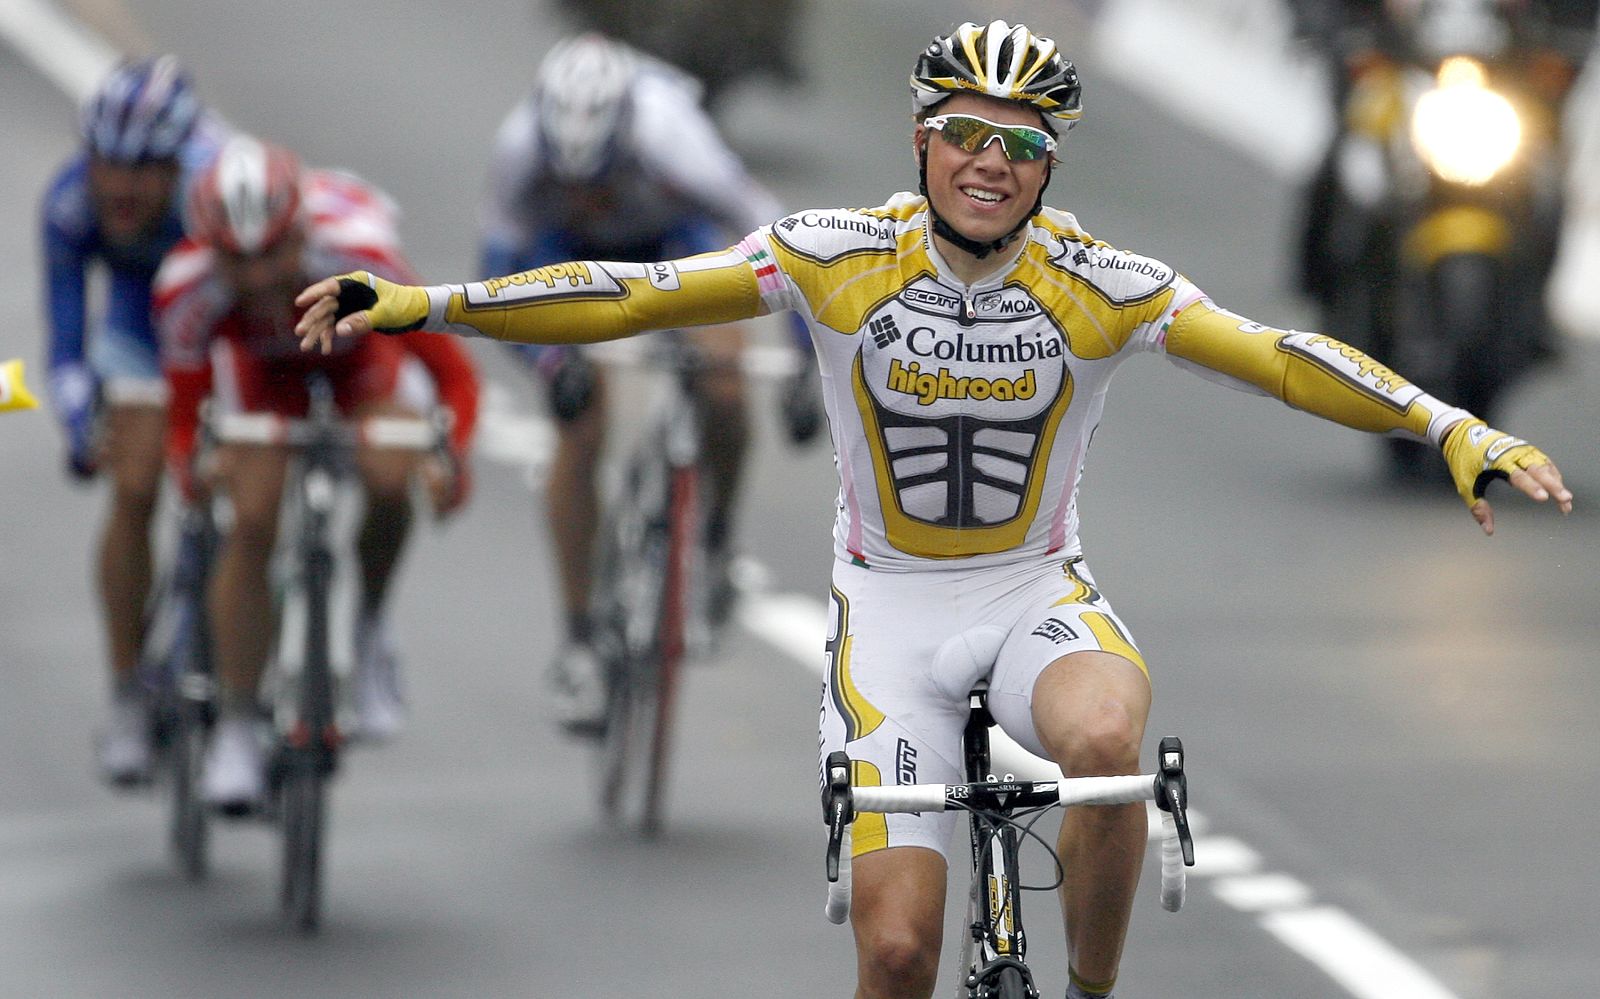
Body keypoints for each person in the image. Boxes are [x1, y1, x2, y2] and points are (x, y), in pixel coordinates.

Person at [296, 20, 1572, 998]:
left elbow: (1281, 355)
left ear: (1047, 168)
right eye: (966, 132)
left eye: (1020, 146)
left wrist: (1446, 425)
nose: (988, 163)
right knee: (898, 957)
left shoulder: (1102, 285)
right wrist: (430, 305)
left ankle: (1088, 988)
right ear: (920, 138)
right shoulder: (830, 256)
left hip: (1034, 592)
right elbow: (635, 295)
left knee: (1107, 741)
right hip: (891, 616)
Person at [478, 33, 819, 733]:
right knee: (578, 425)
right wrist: (551, 365)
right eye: (572, 180)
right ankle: (577, 641)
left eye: (599, 174)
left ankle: (715, 543)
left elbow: (780, 243)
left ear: (625, 139)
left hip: (676, 242)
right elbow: (497, 275)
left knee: (723, 380)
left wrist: (803, 364)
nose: (588, 190)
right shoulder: (519, 151)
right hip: (567, 252)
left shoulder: (674, 139)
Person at [160, 134, 480, 811]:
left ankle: (367, 629)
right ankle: (239, 727)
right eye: (236, 261)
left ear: (300, 230)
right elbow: (186, 414)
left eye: (274, 254)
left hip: (360, 372)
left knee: (394, 473)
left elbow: (452, 375)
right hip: (263, 385)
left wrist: (452, 458)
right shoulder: (186, 289)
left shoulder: (363, 261)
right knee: (250, 518)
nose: (257, 279)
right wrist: (197, 469)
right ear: (210, 248)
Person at [40, 56, 227, 785]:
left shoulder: (212, 194)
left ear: (178, 162)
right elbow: (65, 344)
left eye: (142, 168)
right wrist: (83, 417)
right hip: (136, 324)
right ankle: (125, 690)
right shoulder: (69, 204)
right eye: (105, 164)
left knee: (241, 475)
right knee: (136, 480)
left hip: (218, 326)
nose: (119, 186)